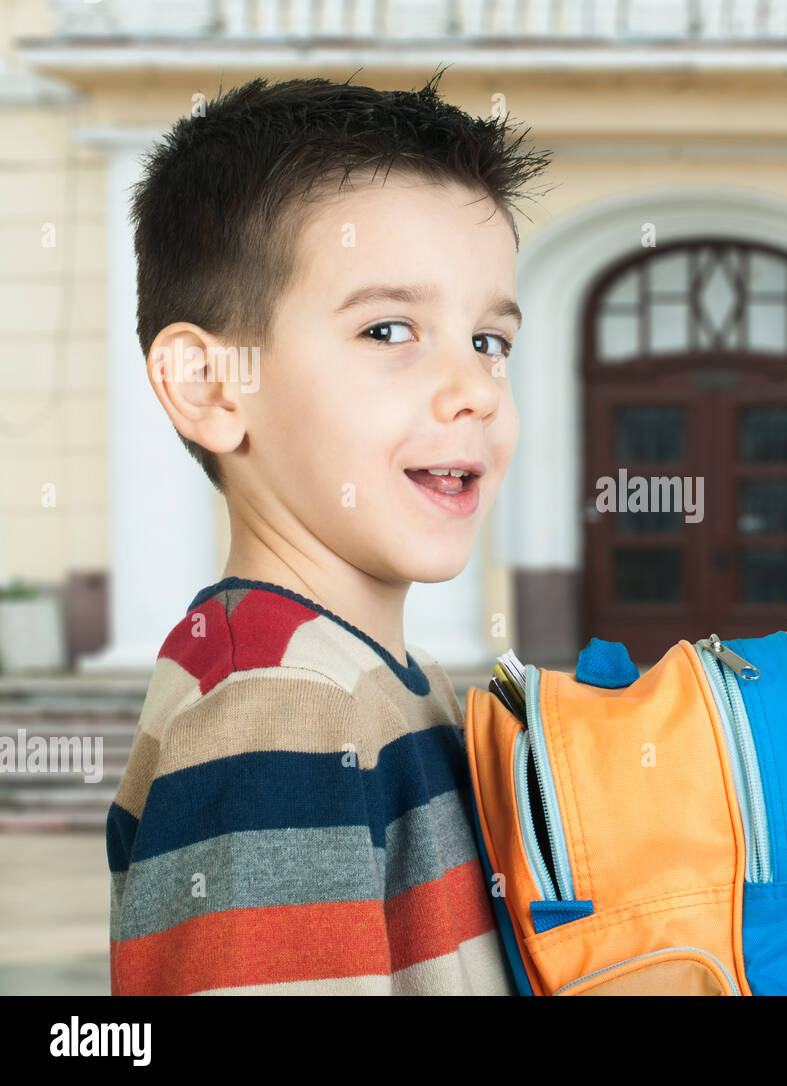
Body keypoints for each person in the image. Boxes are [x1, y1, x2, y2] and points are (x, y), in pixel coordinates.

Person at [105, 71, 552, 994]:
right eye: (390, 330)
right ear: (212, 386)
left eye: (490, 341)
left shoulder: (385, 676)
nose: (475, 387)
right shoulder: (276, 704)